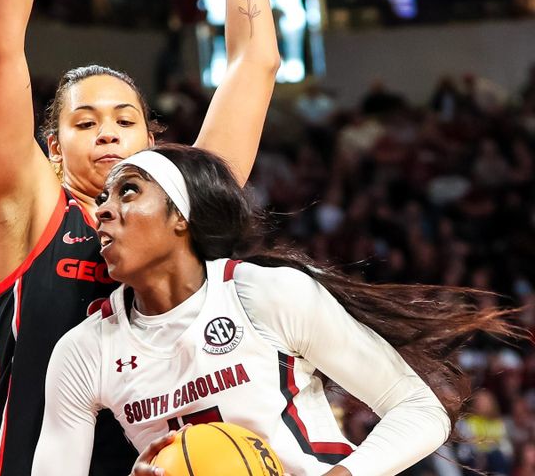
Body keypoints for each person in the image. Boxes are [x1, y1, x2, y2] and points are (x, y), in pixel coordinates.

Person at [0, 0, 280, 474]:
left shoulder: (183, 201)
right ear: (53, 150)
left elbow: (255, 62)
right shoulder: (32, 211)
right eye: (85, 124)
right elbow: (0, 51)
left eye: (124, 120)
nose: (108, 133)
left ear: (151, 141)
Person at [32, 144, 517, 476]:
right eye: (101, 199)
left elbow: (419, 409)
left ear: (181, 216)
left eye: (128, 191)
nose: (103, 210)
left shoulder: (262, 294)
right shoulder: (84, 351)